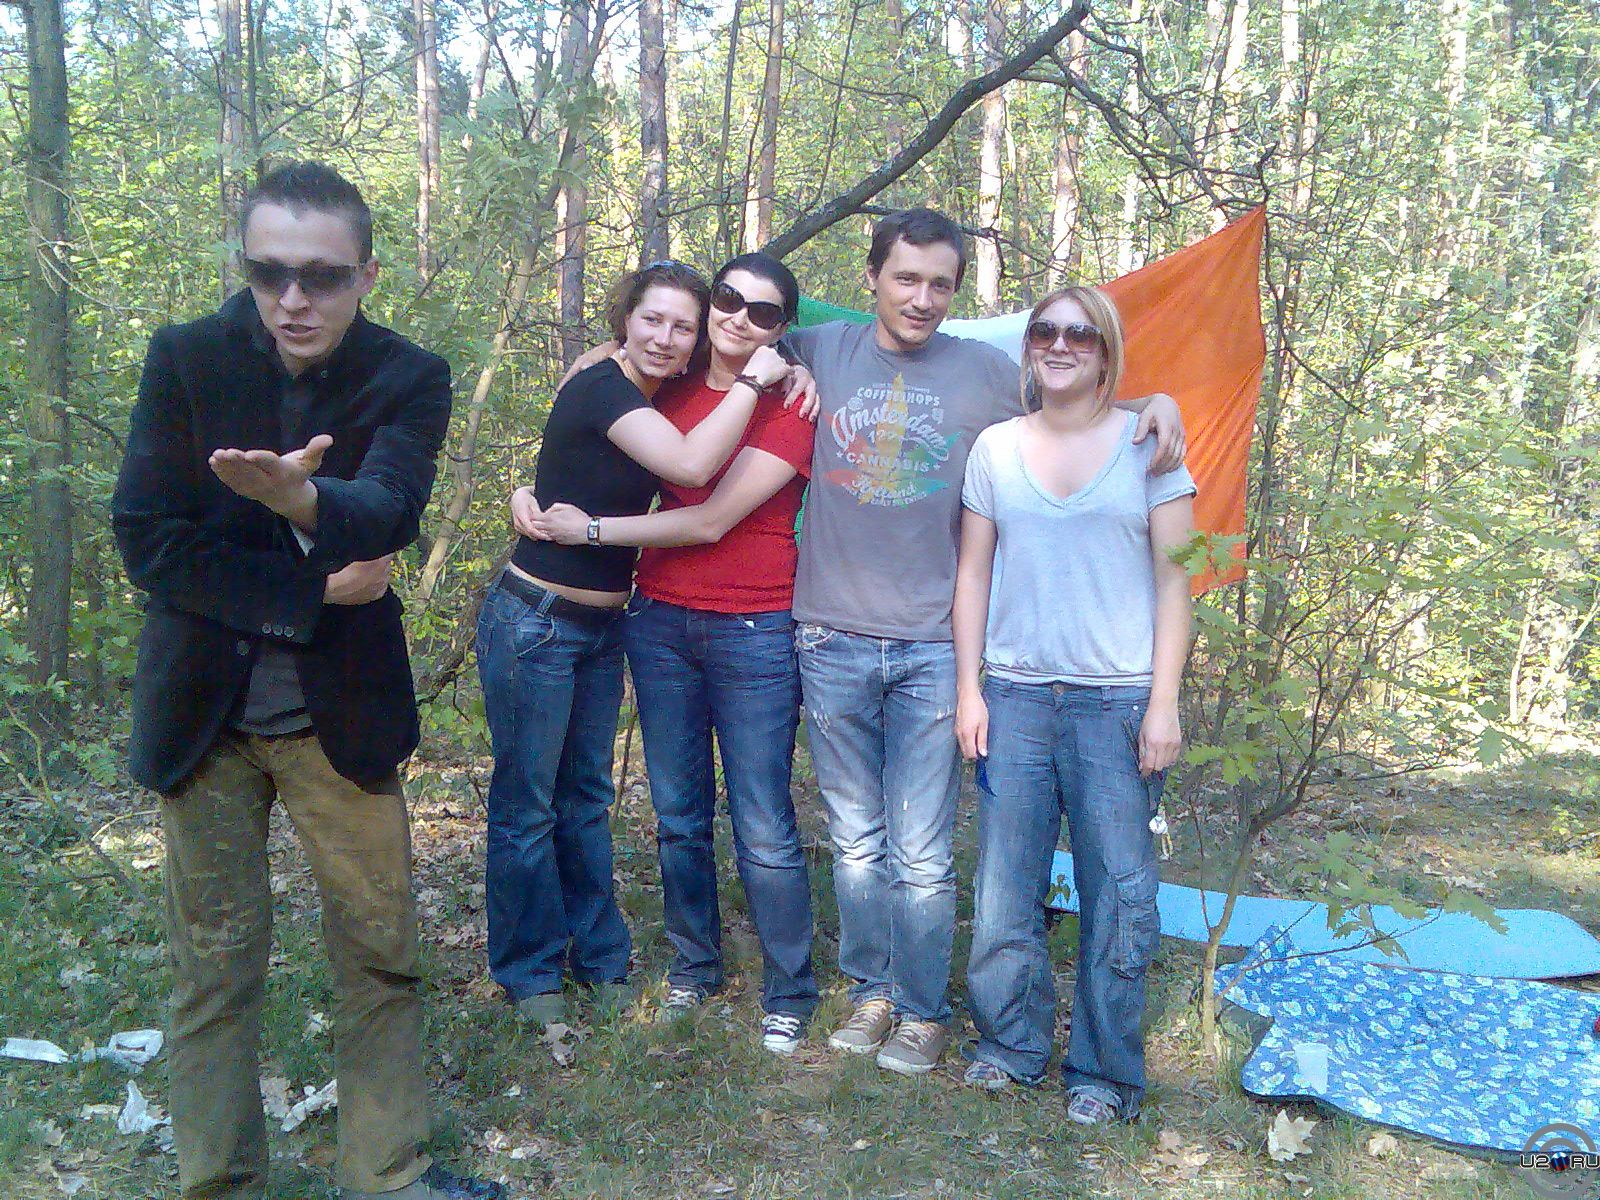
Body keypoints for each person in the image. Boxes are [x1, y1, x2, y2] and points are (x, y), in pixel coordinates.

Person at [111, 162, 499, 1200]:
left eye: (321, 276)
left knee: (380, 954)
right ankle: (219, 1184)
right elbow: (148, 540)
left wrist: (304, 501)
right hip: (204, 716)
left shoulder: (408, 374)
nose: (292, 298)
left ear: (365, 273)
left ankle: (387, 1174)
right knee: (212, 968)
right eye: (267, 271)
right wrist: (308, 587)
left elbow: (390, 511)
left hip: (342, 717)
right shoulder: (185, 358)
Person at [781, 209, 1187, 1076]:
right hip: (833, 636)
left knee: (925, 852)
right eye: (906, 278)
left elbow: (1079, 408)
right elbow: (723, 343)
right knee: (855, 841)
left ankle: (925, 1009)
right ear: (872, 277)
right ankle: (875, 992)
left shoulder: (989, 374)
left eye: (940, 284)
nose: (922, 297)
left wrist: (1156, 403)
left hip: (940, 647)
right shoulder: (822, 349)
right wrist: (608, 360)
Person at [477, 260, 796, 1032]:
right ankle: (529, 970)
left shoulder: (657, 391)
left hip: (602, 627)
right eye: (652, 319)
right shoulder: (604, 385)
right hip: (536, 619)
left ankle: (600, 960)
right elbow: (690, 466)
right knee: (528, 805)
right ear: (624, 319)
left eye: (682, 326)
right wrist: (759, 378)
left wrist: (789, 366)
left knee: (586, 800)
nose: (666, 336)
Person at [952, 286, 1195, 1122]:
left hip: (1116, 702)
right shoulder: (996, 448)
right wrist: (969, 687)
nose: (1060, 345)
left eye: (1080, 334)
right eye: (1045, 331)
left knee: (1119, 893)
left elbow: (1175, 583)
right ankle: (1009, 1045)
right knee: (1003, 891)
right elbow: (973, 573)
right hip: (1014, 696)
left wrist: (1164, 702)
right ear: (1028, 346)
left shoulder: (1148, 446)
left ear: (1105, 351)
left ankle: (1104, 1072)